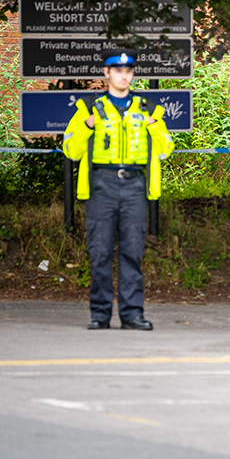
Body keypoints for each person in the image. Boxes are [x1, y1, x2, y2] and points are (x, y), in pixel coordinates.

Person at [62, 49, 173, 330]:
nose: (124, 75)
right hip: (102, 184)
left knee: (132, 250)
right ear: (106, 74)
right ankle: (99, 314)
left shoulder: (148, 108)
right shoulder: (88, 108)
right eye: (118, 71)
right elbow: (71, 150)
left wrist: (155, 127)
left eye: (128, 71)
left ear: (132, 74)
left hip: (135, 184)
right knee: (99, 251)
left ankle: (132, 314)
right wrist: (87, 126)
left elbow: (165, 150)